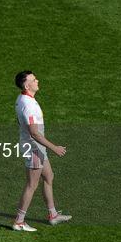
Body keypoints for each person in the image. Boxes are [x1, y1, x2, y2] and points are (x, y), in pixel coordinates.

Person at [12, 71, 72, 232]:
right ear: (27, 85)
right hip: (34, 147)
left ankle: (52, 215)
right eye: (33, 79)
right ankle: (19, 221)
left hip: (36, 147)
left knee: (49, 176)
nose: (37, 80)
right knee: (32, 184)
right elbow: (34, 133)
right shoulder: (28, 105)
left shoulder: (22, 98)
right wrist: (55, 148)